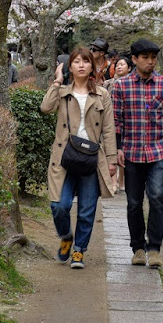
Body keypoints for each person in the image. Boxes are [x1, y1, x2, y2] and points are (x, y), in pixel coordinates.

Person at [41, 47, 117, 269]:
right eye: (77, 62)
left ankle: (79, 250)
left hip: (91, 157)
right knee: (59, 205)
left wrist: (111, 160)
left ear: (92, 67)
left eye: (86, 61)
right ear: (70, 66)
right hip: (64, 156)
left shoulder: (102, 94)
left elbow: (109, 129)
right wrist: (56, 82)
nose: (82, 65)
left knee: (87, 209)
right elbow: (45, 108)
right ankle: (66, 236)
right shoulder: (63, 92)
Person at [113, 39, 163, 268]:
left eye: (153, 58)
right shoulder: (122, 86)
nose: (150, 62)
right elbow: (116, 120)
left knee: (157, 197)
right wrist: (118, 147)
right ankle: (138, 248)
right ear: (134, 60)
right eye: (145, 58)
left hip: (158, 152)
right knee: (133, 202)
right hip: (132, 153)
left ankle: (154, 248)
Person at [104, 55, 134, 192]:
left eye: (122, 64)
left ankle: (122, 180)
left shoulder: (132, 84)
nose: (119, 67)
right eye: (117, 65)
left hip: (127, 122)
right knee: (111, 150)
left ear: (129, 68)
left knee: (124, 152)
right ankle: (113, 181)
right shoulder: (108, 84)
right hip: (110, 121)